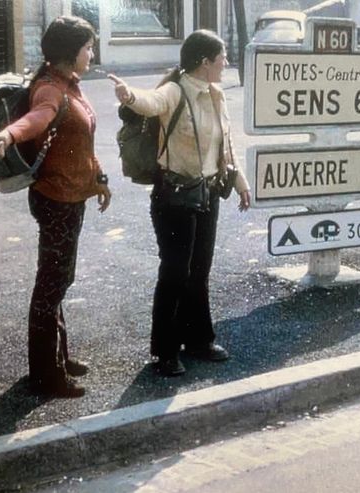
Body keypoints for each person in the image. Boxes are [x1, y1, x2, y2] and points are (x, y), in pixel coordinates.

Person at [109, 30, 251, 377]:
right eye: (222, 58)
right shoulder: (175, 90)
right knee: (175, 272)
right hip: (173, 196)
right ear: (205, 62)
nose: (226, 63)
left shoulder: (217, 95)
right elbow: (149, 102)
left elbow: (226, 146)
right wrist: (128, 95)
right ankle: (165, 351)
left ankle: (199, 340)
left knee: (199, 270)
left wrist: (241, 182)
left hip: (207, 192)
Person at [0, 16, 111, 397]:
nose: (92, 53)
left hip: (71, 194)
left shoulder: (69, 84)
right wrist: (8, 134)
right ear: (70, 54)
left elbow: (81, 142)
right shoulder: (50, 89)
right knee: (51, 284)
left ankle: (58, 356)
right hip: (57, 199)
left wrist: (100, 180)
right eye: (88, 48)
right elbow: (36, 120)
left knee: (59, 279)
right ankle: (45, 374)